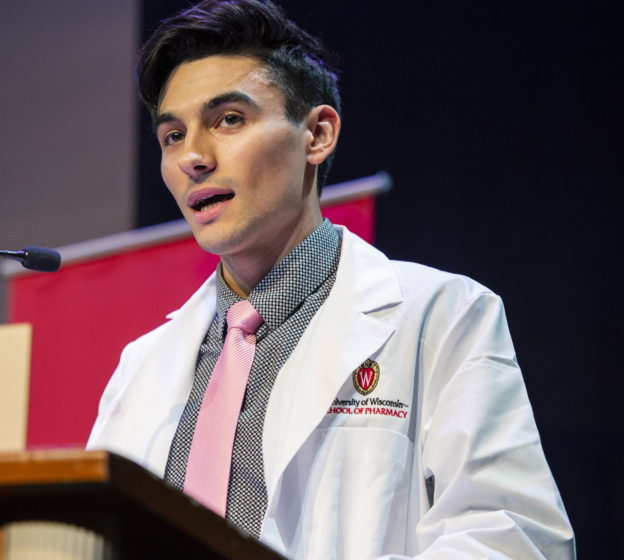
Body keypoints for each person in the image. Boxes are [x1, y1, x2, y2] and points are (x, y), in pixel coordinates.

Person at [86, 1, 575, 558]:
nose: (193, 156)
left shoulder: (441, 315)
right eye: (173, 135)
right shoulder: (143, 365)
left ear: (317, 134)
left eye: (228, 120)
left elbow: (515, 537)